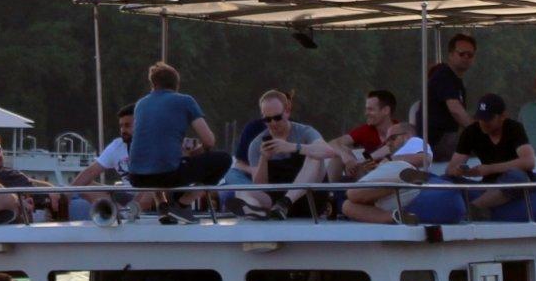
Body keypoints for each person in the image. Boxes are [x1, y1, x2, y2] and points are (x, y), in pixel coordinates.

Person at [126, 62, 230, 212]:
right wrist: (194, 153)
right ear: (177, 85)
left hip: (136, 177)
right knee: (224, 159)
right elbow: (209, 141)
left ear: (153, 85)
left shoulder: (140, 104)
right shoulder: (185, 101)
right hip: (167, 175)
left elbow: (148, 142)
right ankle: (182, 205)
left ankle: (162, 204)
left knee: (154, 157)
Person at [233, 90, 332, 218]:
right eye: (267, 119)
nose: (273, 123)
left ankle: (285, 202)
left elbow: (329, 151)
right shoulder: (257, 144)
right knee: (240, 192)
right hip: (276, 204)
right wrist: (264, 159)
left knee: (315, 154)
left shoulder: (304, 132)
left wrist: (292, 147)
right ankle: (256, 210)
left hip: (309, 198)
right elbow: (260, 186)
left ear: (287, 111)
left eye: (277, 118)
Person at [446, 95, 536, 216]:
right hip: (486, 185)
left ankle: (471, 210)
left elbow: (529, 162)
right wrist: (459, 171)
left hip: (511, 183)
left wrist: (489, 169)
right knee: (446, 180)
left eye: (488, 119)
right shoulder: (471, 132)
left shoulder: (514, 128)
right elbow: (451, 169)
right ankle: (479, 207)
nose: (483, 123)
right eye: (480, 118)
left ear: (502, 116)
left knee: (518, 177)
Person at [341, 123, 431, 224]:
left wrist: (389, 159)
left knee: (351, 193)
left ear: (407, 135)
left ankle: (401, 181)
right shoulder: (393, 156)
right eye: (386, 141)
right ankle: (395, 217)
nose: (388, 143)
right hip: (393, 197)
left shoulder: (415, 141)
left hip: (403, 174)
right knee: (347, 206)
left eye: (392, 138)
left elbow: (425, 159)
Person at [0, 131, 63, 223]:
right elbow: (12, 196)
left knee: (65, 195)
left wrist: (51, 189)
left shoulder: (8, 171)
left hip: (44, 204)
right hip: (29, 213)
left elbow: (30, 181)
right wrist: (47, 195)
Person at [66, 103, 133, 219]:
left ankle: (130, 212)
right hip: (125, 195)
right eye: (121, 126)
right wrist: (66, 195)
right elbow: (90, 172)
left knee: (153, 190)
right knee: (85, 187)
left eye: (127, 125)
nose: (123, 130)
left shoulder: (152, 145)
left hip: (149, 193)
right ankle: (123, 213)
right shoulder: (117, 146)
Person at [424, 32, 479, 160]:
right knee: (488, 145)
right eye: (461, 53)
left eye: (470, 55)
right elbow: (456, 111)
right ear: (450, 54)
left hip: (447, 138)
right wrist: (479, 132)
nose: (466, 57)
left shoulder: (455, 79)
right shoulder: (443, 76)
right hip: (436, 141)